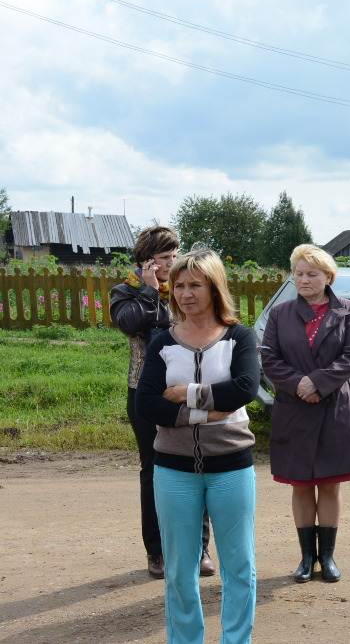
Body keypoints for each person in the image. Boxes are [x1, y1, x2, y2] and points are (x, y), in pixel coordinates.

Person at [135, 249, 260, 644]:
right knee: (179, 568)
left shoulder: (239, 336)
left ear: (214, 286)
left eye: (196, 284)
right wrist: (207, 411)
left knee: (239, 565)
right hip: (172, 468)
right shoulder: (162, 342)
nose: (185, 293)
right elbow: (147, 403)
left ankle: (235, 640)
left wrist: (185, 393)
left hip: (232, 466)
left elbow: (245, 389)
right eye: (180, 285)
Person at [109, 225, 215, 580]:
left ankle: (199, 548)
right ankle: (157, 552)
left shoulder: (184, 291)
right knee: (154, 470)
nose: (173, 262)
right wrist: (151, 292)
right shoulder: (125, 292)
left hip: (188, 390)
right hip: (144, 393)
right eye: (165, 258)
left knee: (196, 462)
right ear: (145, 261)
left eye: (175, 255)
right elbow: (130, 324)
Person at [260, 244, 350, 583]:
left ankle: (329, 557)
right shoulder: (280, 313)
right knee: (302, 486)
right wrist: (299, 384)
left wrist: (318, 383)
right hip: (295, 409)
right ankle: (307, 559)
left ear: (328, 277)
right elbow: (269, 359)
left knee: (331, 486)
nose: (303, 280)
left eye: (311, 274)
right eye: (299, 273)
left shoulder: (348, 310)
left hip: (334, 408)